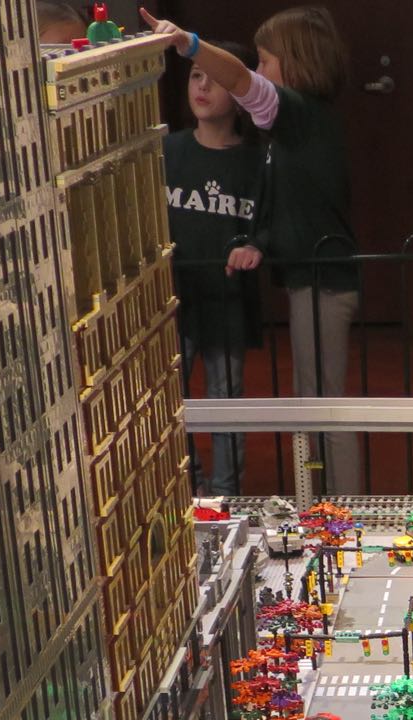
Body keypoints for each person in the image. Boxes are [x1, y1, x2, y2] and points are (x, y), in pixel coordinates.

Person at [140, 7, 361, 494]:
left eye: (265, 61)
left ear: (295, 63)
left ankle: (341, 513)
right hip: (312, 279)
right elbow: (282, 206)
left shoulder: (299, 114)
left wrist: (189, 45)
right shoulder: (296, 124)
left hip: (322, 282)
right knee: (315, 402)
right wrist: (260, 244)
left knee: (324, 406)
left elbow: (243, 83)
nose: (257, 73)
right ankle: (322, 507)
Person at [164, 41, 264, 497]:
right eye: (195, 76)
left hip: (227, 300)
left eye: (215, 79)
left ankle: (227, 496)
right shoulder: (169, 150)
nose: (202, 87)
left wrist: (254, 246)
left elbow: (265, 226)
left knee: (226, 398)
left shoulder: (254, 160)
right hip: (175, 297)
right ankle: (193, 488)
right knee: (172, 397)